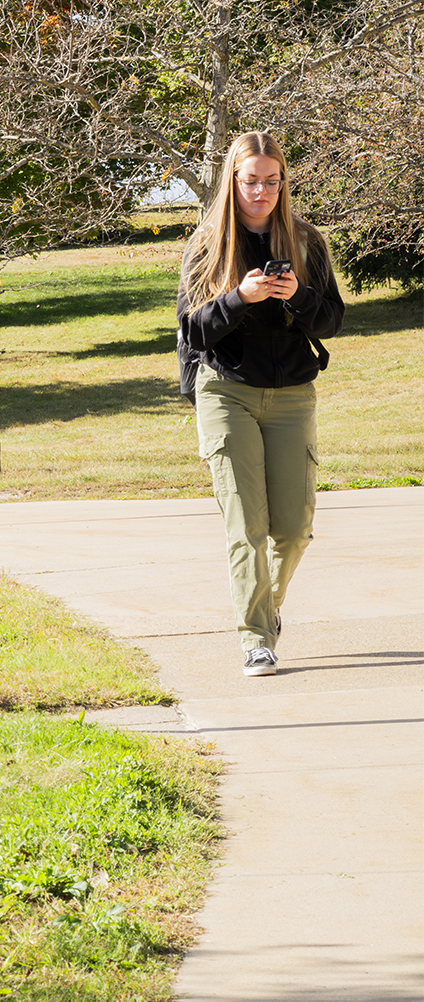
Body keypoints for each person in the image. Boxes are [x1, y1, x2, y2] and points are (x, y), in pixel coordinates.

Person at [177, 131, 345, 677]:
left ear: (282, 183)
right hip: (228, 391)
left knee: (294, 526)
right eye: (251, 181)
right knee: (246, 523)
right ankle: (255, 638)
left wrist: (296, 295)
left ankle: (266, 607)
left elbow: (333, 322)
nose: (261, 191)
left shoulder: (306, 241)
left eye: (272, 181)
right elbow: (190, 330)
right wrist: (238, 299)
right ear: (233, 181)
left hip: (293, 394)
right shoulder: (209, 243)